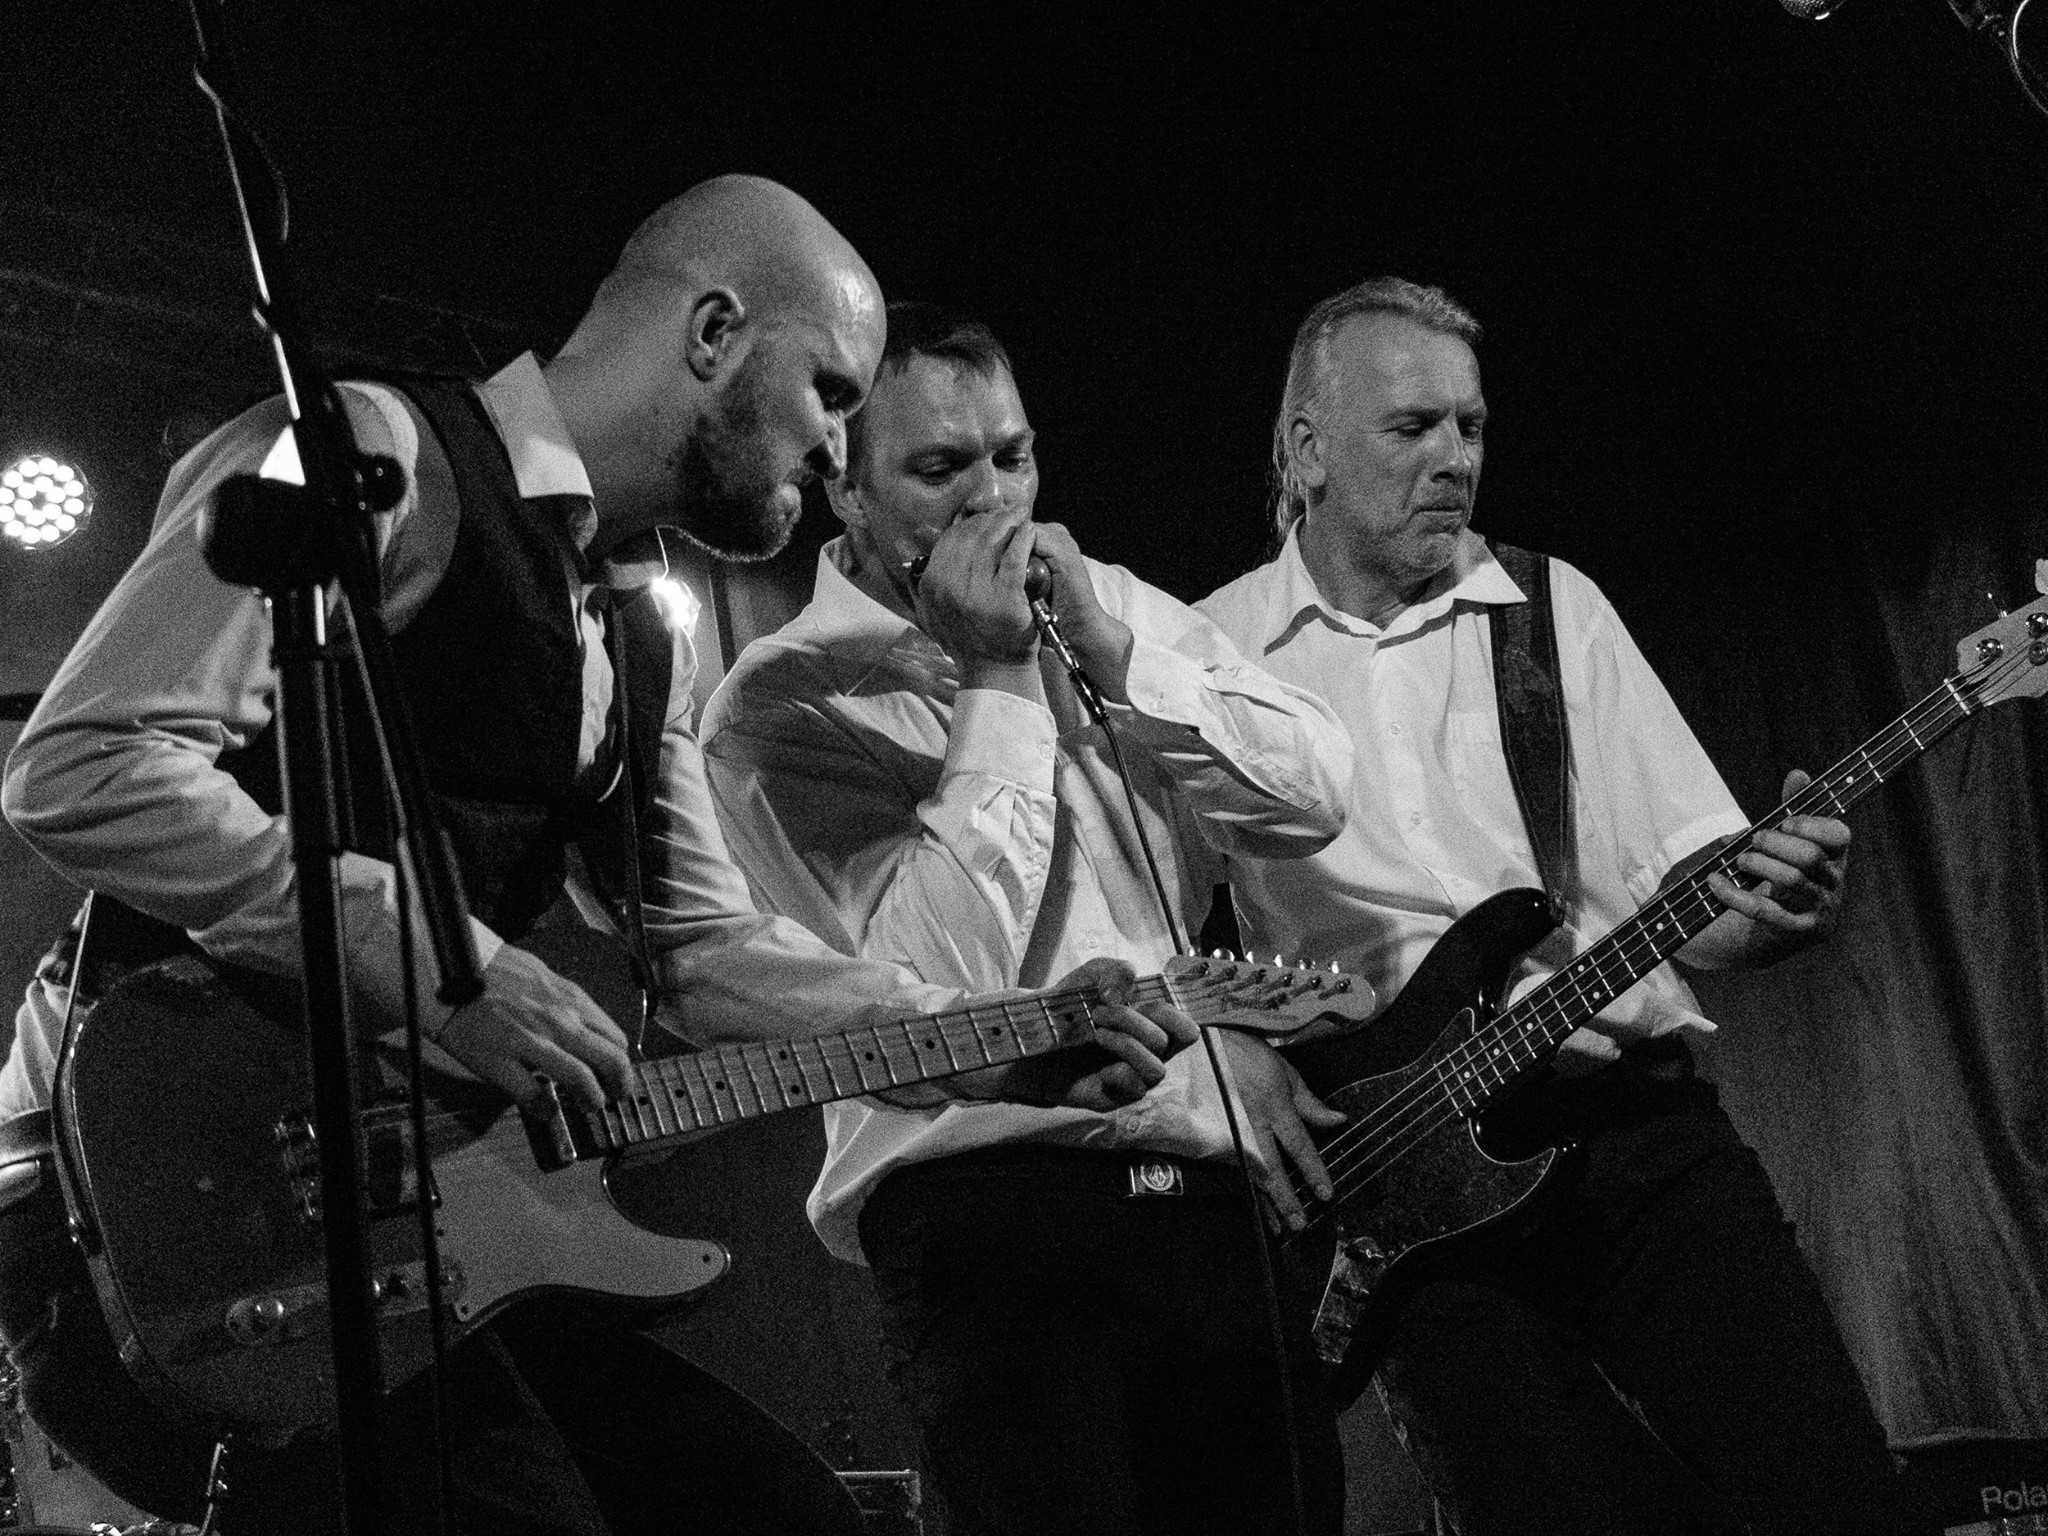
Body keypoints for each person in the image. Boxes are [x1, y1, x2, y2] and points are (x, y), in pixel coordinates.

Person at [0, 178, 1184, 1536]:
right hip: (145, 1207)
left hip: (403, 1242)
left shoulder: (636, 638)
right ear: (715, 333)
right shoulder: (374, 454)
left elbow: (703, 955)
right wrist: (439, 963)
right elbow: (82, 763)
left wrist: (984, 1042)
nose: (836, 447)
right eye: (831, 393)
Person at [1195, 276, 1919, 1536]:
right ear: (1303, 449)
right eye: (1412, 427)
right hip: (1405, 1201)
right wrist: (1221, 1048)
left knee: (1833, 1500)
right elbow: (1127, 925)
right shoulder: (1201, 657)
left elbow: (1693, 891)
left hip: (1629, 1139)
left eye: (1469, 426)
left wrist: (1774, 905)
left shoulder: (1547, 607)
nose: (1454, 459)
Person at [698, 301, 1358, 1536]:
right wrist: (996, 678)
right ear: (844, 488)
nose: (992, 500)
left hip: (1204, 1199)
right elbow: (939, 991)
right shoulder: (777, 706)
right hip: (988, 1214)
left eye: (1013, 455)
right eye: (940, 469)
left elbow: (1314, 794)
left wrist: (1116, 656)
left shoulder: (1105, 604)